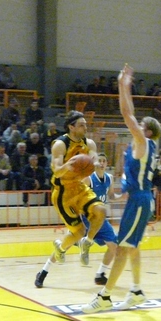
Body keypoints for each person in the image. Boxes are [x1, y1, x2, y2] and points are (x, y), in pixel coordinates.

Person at [82, 65, 161, 314]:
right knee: (133, 247)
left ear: (147, 131)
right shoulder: (146, 146)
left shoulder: (143, 142)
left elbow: (127, 113)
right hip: (140, 198)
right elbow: (131, 114)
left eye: (140, 124)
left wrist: (122, 85)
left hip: (140, 201)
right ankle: (136, 291)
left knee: (122, 250)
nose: (135, 125)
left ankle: (104, 296)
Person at [35, 153, 120, 288]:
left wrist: (125, 194)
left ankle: (100, 274)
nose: (102, 163)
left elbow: (111, 196)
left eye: (104, 161)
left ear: (107, 163)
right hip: (86, 218)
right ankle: (43, 272)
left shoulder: (109, 178)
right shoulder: (88, 178)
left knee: (114, 246)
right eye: (99, 160)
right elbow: (77, 197)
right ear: (95, 163)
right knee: (65, 246)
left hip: (99, 221)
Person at [49, 111, 107, 268]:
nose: (85, 128)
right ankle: (61, 249)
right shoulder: (60, 144)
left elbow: (93, 161)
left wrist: (93, 164)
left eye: (86, 125)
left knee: (101, 210)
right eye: (82, 125)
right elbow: (57, 171)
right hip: (63, 192)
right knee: (78, 231)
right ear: (71, 127)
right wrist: (69, 165)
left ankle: (87, 242)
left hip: (79, 187)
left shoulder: (89, 144)